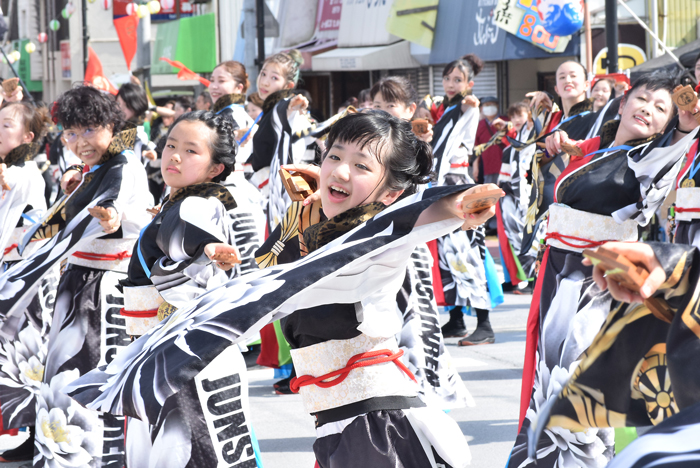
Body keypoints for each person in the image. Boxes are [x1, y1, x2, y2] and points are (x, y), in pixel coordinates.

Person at [66, 110, 502, 468]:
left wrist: (458, 205)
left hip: (378, 427)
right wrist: (298, 220)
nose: (341, 169)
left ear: (390, 191)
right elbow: (258, 280)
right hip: (340, 426)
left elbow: (413, 215)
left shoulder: (377, 239)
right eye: (334, 155)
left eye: (363, 165)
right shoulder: (313, 228)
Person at [509, 73, 697, 468]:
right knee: (549, 378)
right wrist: (554, 140)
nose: (648, 109)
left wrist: (684, 121)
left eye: (660, 108)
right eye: (642, 99)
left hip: (596, 284)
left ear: (666, 125)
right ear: (624, 102)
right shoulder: (596, 147)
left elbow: (680, 139)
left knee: (577, 380)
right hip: (558, 273)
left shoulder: (651, 159)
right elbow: (555, 149)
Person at [0, 85, 153, 468]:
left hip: (104, 286)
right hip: (79, 281)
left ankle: (91, 458)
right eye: (70, 132)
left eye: (88, 130)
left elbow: (117, 206)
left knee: (88, 373)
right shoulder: (96, 167)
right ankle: (55, 449)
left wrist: (112, 215)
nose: (77, 141)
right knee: (63, 372)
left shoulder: (124, 164)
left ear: (110, 125)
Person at [118, 110, 263, 468]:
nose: (175, 156)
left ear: (216, 168)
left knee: (184, 447)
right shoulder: (178, 200)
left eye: (191, 151)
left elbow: (186, 230)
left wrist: (207, 247)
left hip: (183, 351)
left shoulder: (196, 203)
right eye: (170, 145)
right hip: (169, 345)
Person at [0, 102, 53, 462]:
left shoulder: (24, 172)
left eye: (6, 125)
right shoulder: (17, 169)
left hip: (25, 282)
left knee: (29, 359)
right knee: (20, 360)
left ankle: (35, 436)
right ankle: (29, 433)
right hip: (16, 277)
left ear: (27, 137)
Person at [496, 102, 535, 293]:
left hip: (528, 192)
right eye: (513, 116)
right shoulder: (512, 144)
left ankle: (533, 277)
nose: (516, 120)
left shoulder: (533, 138)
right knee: (515, 235)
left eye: (520, 115)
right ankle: (526, 277)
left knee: (529, 234)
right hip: (510, 193)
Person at [473, 96, 508, 184]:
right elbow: (476, 147)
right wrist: (475, 167)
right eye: (487, 105)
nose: (489, 107)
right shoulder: (479, 125)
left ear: (497, 106)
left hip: (505, 164)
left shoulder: (506, 121)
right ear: (482, 108)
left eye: (492, 105)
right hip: (487, 166)